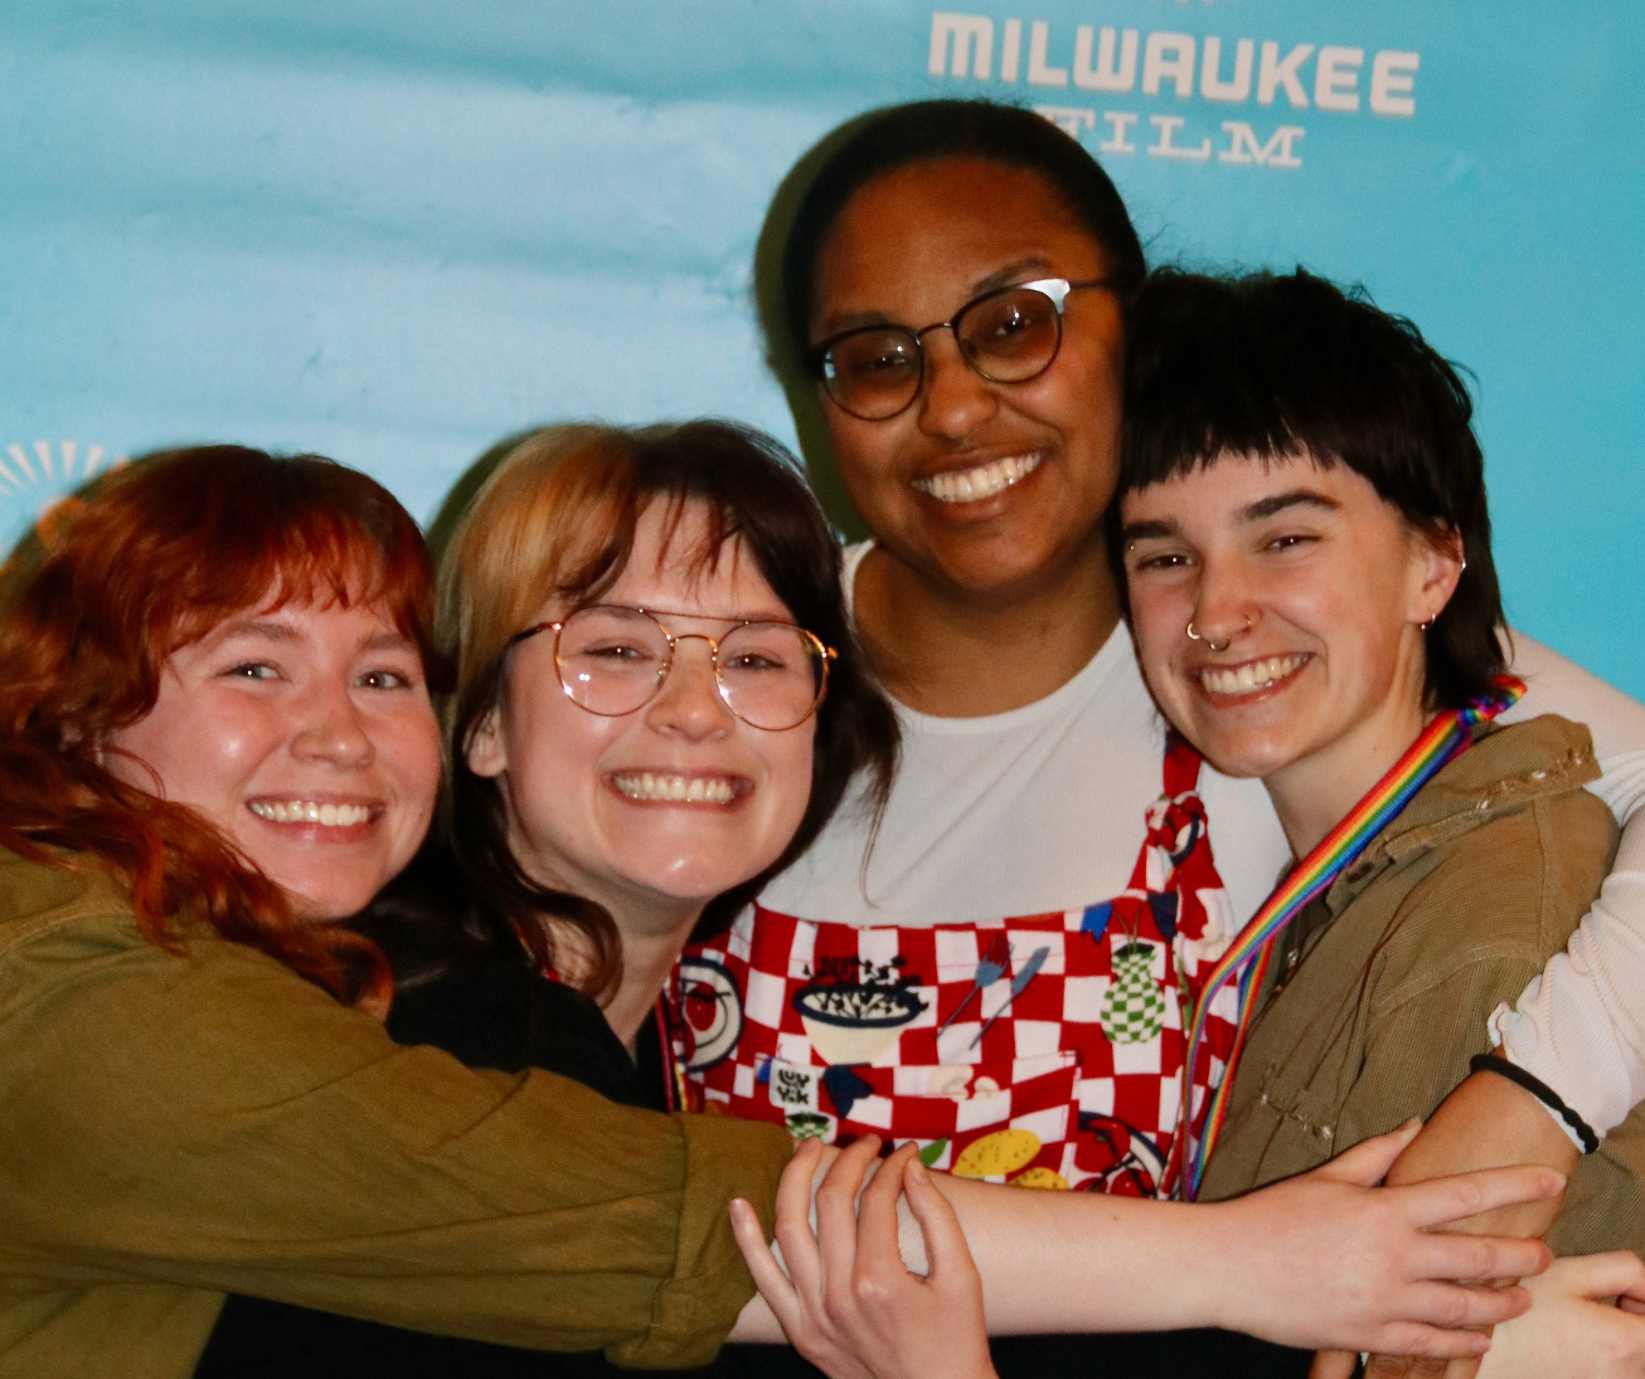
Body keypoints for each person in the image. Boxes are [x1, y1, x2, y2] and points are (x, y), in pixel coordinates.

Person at [187, 423, 1558, 1378]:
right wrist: (1277, 1280)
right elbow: (694, 1229)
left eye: (754, 656)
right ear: (474, 719)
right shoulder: (436, 1025)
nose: (690, 713)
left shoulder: (631, 1049)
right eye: (611, 648)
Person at [685, 95, 1645, 1374]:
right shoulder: (730, 680)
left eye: (1014, 324)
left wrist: (1530, 1108)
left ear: (1125, 332)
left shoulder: (1257, 667)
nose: (955, 407)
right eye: (875, 355)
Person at [0, 445, 803, 1378]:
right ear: (76, 718)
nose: (340, 735)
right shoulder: (94, 983)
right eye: (256, 668)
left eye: (383, 677)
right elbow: (653, 1222)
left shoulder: (312, 978)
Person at [1115, 269, 1645, 1371]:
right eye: (1165, 555)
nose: (1215, 612)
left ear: (1434, 565)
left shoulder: (1494, 918)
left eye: (1284, 538)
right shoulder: (1337, 862)